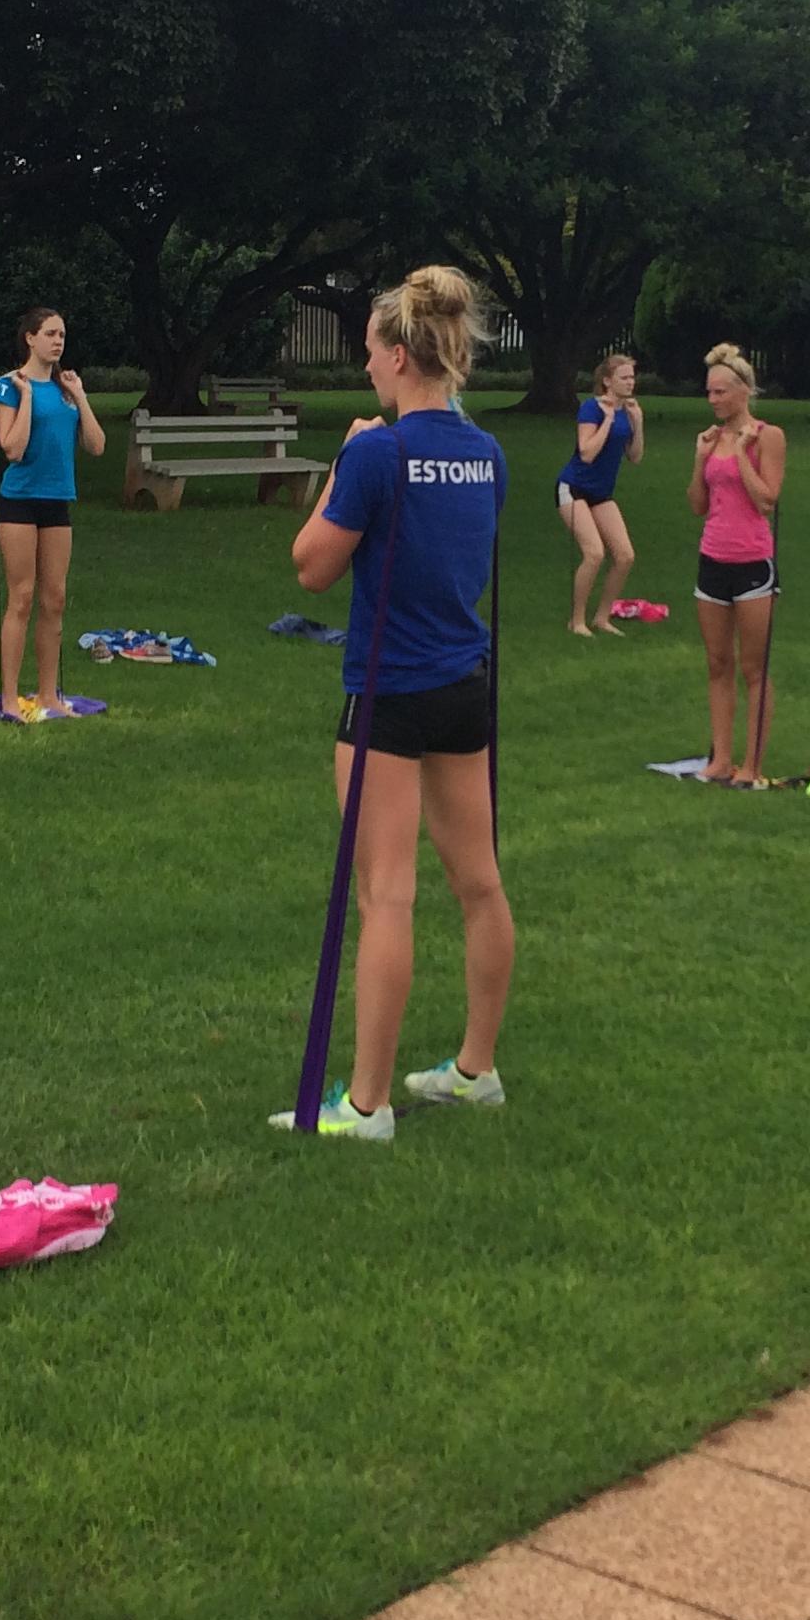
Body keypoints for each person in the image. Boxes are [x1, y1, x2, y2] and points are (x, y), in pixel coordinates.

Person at [274, 265, 512, 1140]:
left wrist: (346, 459)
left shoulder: (378, 452)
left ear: (403, 355)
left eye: (372, 352)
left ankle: (367, 1105)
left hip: (389, 692)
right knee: (479, 883)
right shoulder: (486, 453)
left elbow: (311, 566)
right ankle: (474, 1070)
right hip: (463, 686)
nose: (367, 366)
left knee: (387, 895)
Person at [0, 308, 108, 721]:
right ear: (30, 338)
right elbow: (12, 448)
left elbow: (97, 446)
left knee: (54, 599)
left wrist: (81, 397)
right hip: (19, 501)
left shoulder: (66, 388)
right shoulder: (8, 385)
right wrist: (26, 398)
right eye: (50, 334)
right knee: (21, 597)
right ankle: (9, 698)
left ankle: (48, 694)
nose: (58, 341)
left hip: (57, 501)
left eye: (62, 334)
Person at [686, 340, 787, 787]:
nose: (713, 400)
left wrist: (744, 454)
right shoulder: (712, 440)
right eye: (709, 392)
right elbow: (697, 504)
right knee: (717, 663)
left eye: (720, 392)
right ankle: (720, 759)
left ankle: (751, 765)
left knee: (753, 668)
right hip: (713, 559)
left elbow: (767, 501)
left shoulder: (768, 436)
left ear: (744, 392)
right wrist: (700, 460)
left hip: (752, 563)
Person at [560, 351, 647, 635]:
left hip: (601, 493)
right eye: (624, 377)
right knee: (594, 553)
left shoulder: (628, 412)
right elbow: (586, 453)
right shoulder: (591, 408)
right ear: (607, 381)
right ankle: (577, 621)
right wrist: (607, 420)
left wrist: (638, 422)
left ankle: (601, 617)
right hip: (573, 488)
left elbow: (635, 457)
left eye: (632, 377)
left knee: (625, 555)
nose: (630, 382)